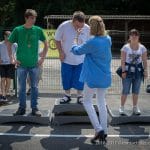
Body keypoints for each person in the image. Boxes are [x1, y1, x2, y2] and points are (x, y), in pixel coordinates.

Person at [71, 16, 112, 144]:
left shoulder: (92, 42)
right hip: (105, 76)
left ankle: (98, 129)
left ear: (92, 27)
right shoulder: (108, 39)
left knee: (87, 101)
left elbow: (76, 51)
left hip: (93, 77)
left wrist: (75, 38)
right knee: (101, 102)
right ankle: (103, 131)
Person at [7, 9, 48, 116]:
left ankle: (34, 108)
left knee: (34, 87)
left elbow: (46, 43)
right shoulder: (18, 30)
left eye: (34, 18)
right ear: (26, 18)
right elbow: (9, 43)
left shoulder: (38, 30)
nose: (33, 20)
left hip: (34, 64)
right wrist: (12, 58)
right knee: (22, 88)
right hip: (21, 64)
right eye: (31, 18)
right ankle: (22, 108)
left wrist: (42, 58)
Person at [55, 11, 90, 104]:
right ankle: (67, 95)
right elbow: (57, 39)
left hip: (81, 60)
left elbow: (90, 43)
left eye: (81, 26)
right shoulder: (63, 26)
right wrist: (60, 52)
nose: (79, 28)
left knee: (80, 78)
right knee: (66, 77)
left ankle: (80, 96)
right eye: (77, 26)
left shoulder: (87, 28)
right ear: (73, 20)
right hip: (66, 59)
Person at [119, 29, 148, 116]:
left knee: (136, 90)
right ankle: (121, 107)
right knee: (125, 90)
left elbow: (144, 61)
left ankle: (135, 107)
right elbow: (123, 61)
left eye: (136, 35)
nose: (134, 36)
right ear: (129, 37)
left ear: (138, 37)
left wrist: (145, 71)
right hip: (127, 71)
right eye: (132, 35)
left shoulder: (142, 48)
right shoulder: (125, 47)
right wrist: (123, 71)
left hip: (138, 71)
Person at [0, 31, 16, 102]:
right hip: (2, 64)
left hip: (10, 64)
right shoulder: (0, 44)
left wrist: (15, 61)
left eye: (10, 35)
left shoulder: (14, 44)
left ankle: (5, 95)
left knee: (8, 80)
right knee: (3, 79)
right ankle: (3, 95)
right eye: (7, 36)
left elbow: (17, 52)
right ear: (4, 36)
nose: (9, 37)